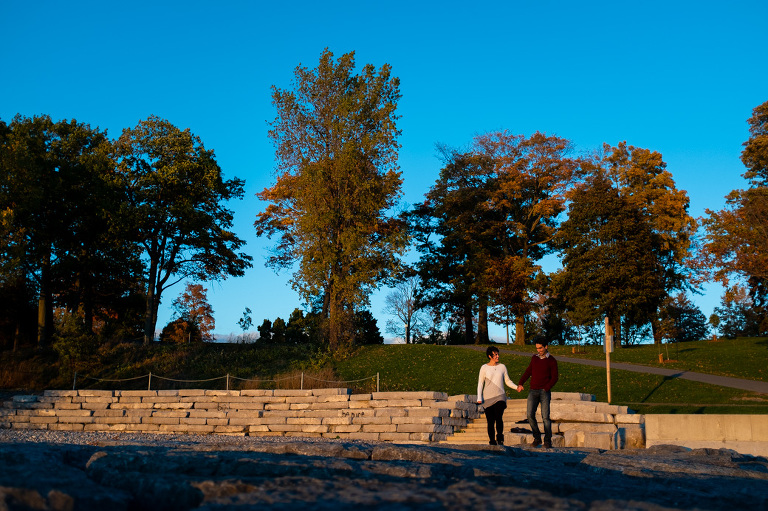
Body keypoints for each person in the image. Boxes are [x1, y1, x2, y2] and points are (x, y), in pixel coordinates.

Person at [516, 336, 558, 448]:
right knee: (529, 415)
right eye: (537, 348)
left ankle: (548, 441)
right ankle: (537, 438)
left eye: (540, 348)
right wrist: (521, 383)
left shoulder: (552, 361)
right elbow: (528, 371)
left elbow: (555, 377)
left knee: (545, 417)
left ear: (546, 347)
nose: (538, 350)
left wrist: (546, 388)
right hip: (533, 391)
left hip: (544, 392)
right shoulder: (534, 358)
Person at [476, 346, 516, 445]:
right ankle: (492, 441)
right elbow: (480, 383)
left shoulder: (502, 367)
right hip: (488, 398)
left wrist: (516, 387)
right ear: (490, 356)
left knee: (499, 416)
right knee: (490, 421)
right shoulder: (484, 368)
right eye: (495, 355)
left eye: (498, 354)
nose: (497, 356)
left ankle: (500, 437)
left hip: (500, 396)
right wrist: (479, 397)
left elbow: (507, 381)